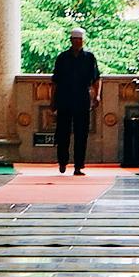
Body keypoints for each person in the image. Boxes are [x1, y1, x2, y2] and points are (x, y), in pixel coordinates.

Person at [50, 27, 103, 174]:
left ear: (83, 41)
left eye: (79, 40)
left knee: (81, 133)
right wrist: (52, 100)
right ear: (71, 41)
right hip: (64, 97)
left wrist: (97, 95)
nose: (77, 42)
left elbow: (97, 78)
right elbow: (55, 81)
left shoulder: (89, 57)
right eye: (75, 40)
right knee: (62, 133)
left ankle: (79, 166)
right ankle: (62, 162)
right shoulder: (62, 58)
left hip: (82, 98)